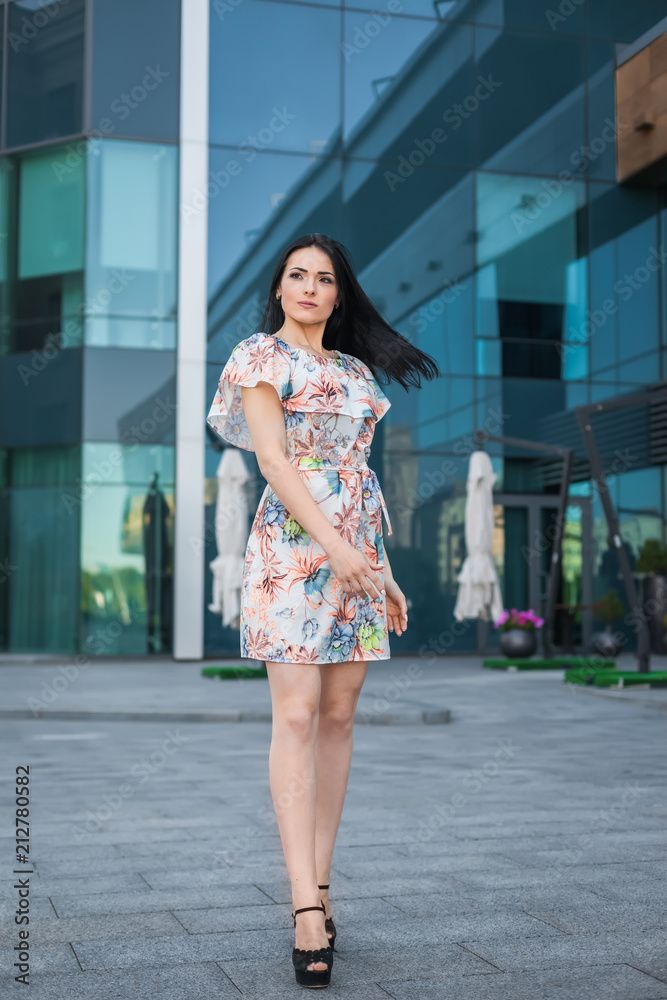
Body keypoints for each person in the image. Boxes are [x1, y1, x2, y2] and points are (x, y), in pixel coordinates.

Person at [207, 233, 440, 988]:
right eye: (296, 275)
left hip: (355, 552)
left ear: (339, 295)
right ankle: (304, 906)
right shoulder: (257, 357)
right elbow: (274, 462)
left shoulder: (352, 370)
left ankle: (325, 885)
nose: (309, 287)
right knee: (297, 716)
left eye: (324, 279)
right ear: (278, 288)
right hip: (290, 552)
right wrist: (335, 551)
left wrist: (381, 571)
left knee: (338, 718)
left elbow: (361, 480)